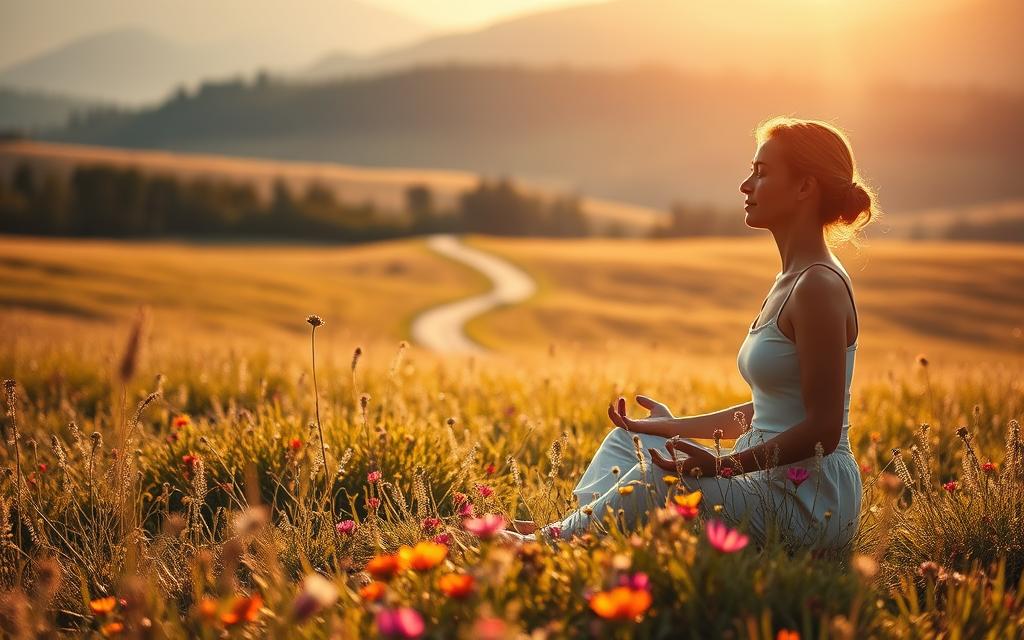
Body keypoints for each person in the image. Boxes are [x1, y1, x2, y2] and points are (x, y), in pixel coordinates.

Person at [504, 116, 881, 550]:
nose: (745, 185)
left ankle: (548, 543)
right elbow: (769, 412)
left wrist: (721, 468)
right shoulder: (790, 280)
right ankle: (578, 533)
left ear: (804, 188)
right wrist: (671, 426)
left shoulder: (818, 286)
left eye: (761, 173)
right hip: (764, 475)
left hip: (809, 501)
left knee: (667, 474)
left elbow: (822, 429)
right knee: (633, 440)